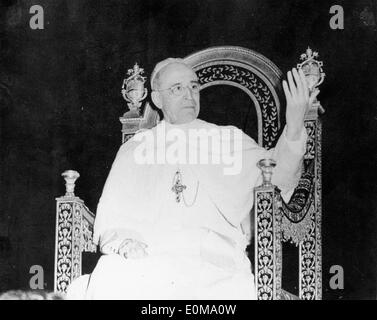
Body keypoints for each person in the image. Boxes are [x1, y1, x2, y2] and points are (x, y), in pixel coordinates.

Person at [67, 58, 319, 300]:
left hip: (212, 258)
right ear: (157, 99)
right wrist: (124, 241)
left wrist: (295, 126)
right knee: (110, 276)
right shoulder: (136, 149)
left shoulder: (227, 139)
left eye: (194, 86)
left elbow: (276, 177)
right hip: (148, 256)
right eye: (177, 88)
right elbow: (114, 212)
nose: (189, 94)